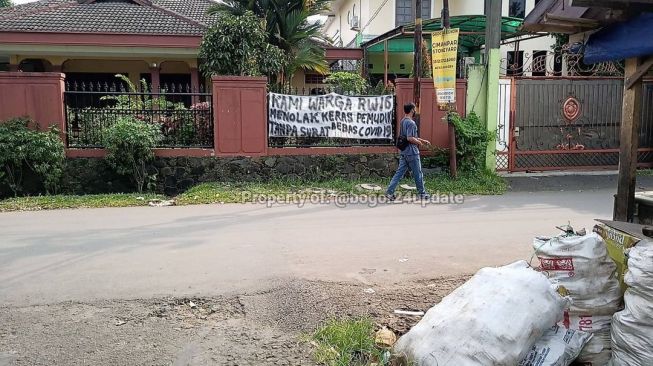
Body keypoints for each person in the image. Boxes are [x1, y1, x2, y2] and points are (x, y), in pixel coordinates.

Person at [386, 102, 431, 201]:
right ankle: (422, 193)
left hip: (404, 152)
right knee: (418, 173)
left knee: (399, 173)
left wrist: (422, 140)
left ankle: (389, 192)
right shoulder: (411, 123)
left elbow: (408, 136)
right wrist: (420, 143)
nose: (415, 111)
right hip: (412, 152)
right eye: (414, 109)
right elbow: (410, 138)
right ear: (411, 110)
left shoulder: (403, 121)